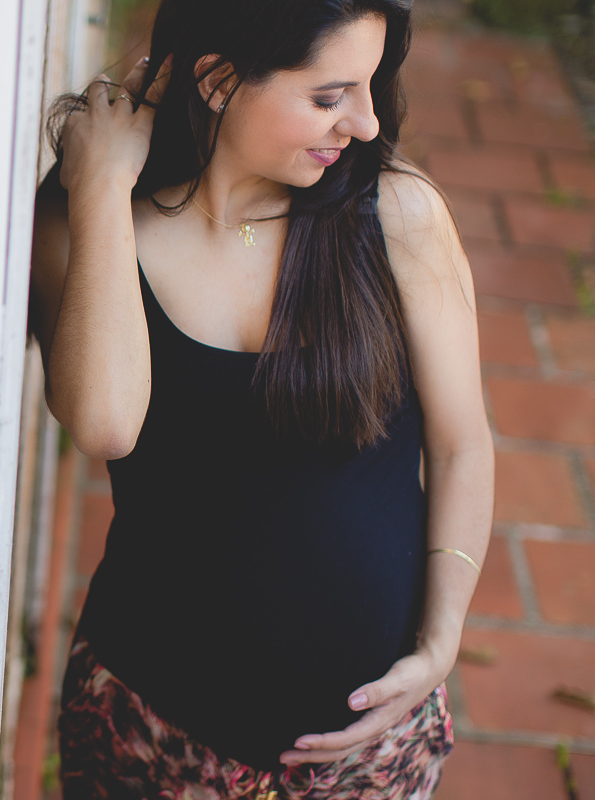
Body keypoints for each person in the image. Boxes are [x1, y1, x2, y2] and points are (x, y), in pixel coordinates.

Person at [27, 0, 495, 797]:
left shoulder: (397, 215)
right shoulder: (92, 228)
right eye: (329, 96)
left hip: (362, 754)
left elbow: (461, 443)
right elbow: (104, 424)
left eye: (372, 85)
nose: (368, 123)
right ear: (216, 79)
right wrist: (102, 186)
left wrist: (442, 637)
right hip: (150, 730)